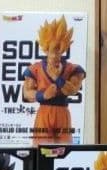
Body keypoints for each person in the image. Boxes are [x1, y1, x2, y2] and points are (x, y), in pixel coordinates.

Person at [22, 16, 85, 145]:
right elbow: (27, 93)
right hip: (44, 113)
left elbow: (72, 90)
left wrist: (57, 78)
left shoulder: (73, 69)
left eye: (60, 50)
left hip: (63, 113)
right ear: (46, 49)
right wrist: (43, 95)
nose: (57, 54)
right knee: (41, 150)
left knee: (64, 150)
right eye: (54, 50)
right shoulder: (35, 69)